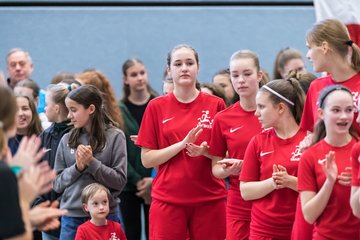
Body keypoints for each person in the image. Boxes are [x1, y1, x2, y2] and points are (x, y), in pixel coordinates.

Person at [136, 44, 227, 239]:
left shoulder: (216, 104)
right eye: (178, 63)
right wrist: (181, 145)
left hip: (210, 199)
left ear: (198, 67)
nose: (184, 68)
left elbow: (224, 156)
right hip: (168, 200)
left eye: (189, 63)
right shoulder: (156, 107)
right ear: (169, 69)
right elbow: (147, 159)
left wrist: (204, 152)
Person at [53, 85, 127, 239]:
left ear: (91, 109)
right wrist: (78, 167)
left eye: (73, 110)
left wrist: (92, 163)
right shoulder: (66, 139)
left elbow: (119, 181)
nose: (69, 116)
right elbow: (57, 184)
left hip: (106, 218)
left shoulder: (115, 137)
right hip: (72, 218)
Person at [239, 79, 306, 239]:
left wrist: (289, 181)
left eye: (261, 107)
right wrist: (273, 182)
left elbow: (322, 188)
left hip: (300, 228)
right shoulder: (258, 142)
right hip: (263, 231)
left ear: (281, 108)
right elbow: (245, 192)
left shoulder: (309, 140)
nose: (256, 113)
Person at [209, 50, 263, 240]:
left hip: (272, 199)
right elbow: (216, 168)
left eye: (247, 74)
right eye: (235, 75)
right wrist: (231, 170)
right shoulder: (223, 118)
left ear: (259, 75)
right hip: (238, 201)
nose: (241, 80)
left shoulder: (276, 113)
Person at [0, 85, 67, 239]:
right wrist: (24, 201)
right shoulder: (6, 172)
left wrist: (30, 219)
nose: (20, 114)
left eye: (25, 108)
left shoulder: (44, 138)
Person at [298, 85, 360, 239]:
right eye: (336, 110)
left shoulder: (358, 150)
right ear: (321, 113)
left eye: (349, 110)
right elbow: (309, 215)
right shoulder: (310, 156)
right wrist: (329, 182)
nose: (344, 116)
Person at [32, 82, 79, 240]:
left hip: (70, 213)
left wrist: (59, 204)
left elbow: (78, 175)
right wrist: (39, 204)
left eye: (47, 104)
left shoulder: (76, 136)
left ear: (57, 108)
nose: (44, 109)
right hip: (47, 215)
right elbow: (33, 173)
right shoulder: (44, 136)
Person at [119, 58, 158, 240]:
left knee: (155, 232)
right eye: (134, 75)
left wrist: (152, 179)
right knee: (131, 233)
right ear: (126, 79)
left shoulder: (158, 103)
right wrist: (137, 181)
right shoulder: (119, 110)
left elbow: (164, 144)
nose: (140, 78)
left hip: (157, 181)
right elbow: (118, 151)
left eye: (142, 73)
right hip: (129, 184)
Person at [300, 18, 360, 134]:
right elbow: (311, 133)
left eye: (309, 48)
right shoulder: (315, 87)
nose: (308, 55)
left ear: (324, 47)